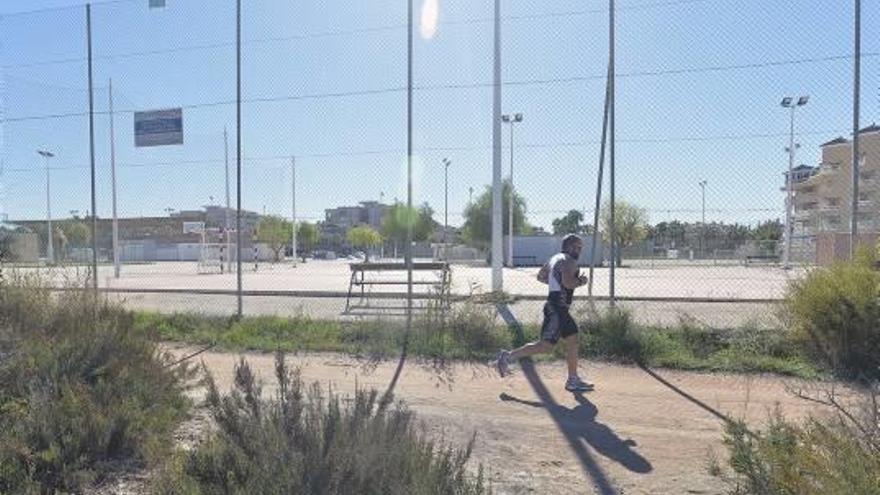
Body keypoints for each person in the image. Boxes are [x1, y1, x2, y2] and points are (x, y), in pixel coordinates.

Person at [493, 234, 593, 392]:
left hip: (557, 307)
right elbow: (568, 283)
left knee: (573, 338)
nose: (579, 250)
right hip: (557, 309)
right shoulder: (569, 261)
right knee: (545, 346)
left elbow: (541, 276)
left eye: (580, 247)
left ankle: (573, 379)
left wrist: (555, 281)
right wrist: (581, 281)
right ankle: (507, 357)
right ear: (568, 247)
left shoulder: (554, 259)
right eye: (577, 247)